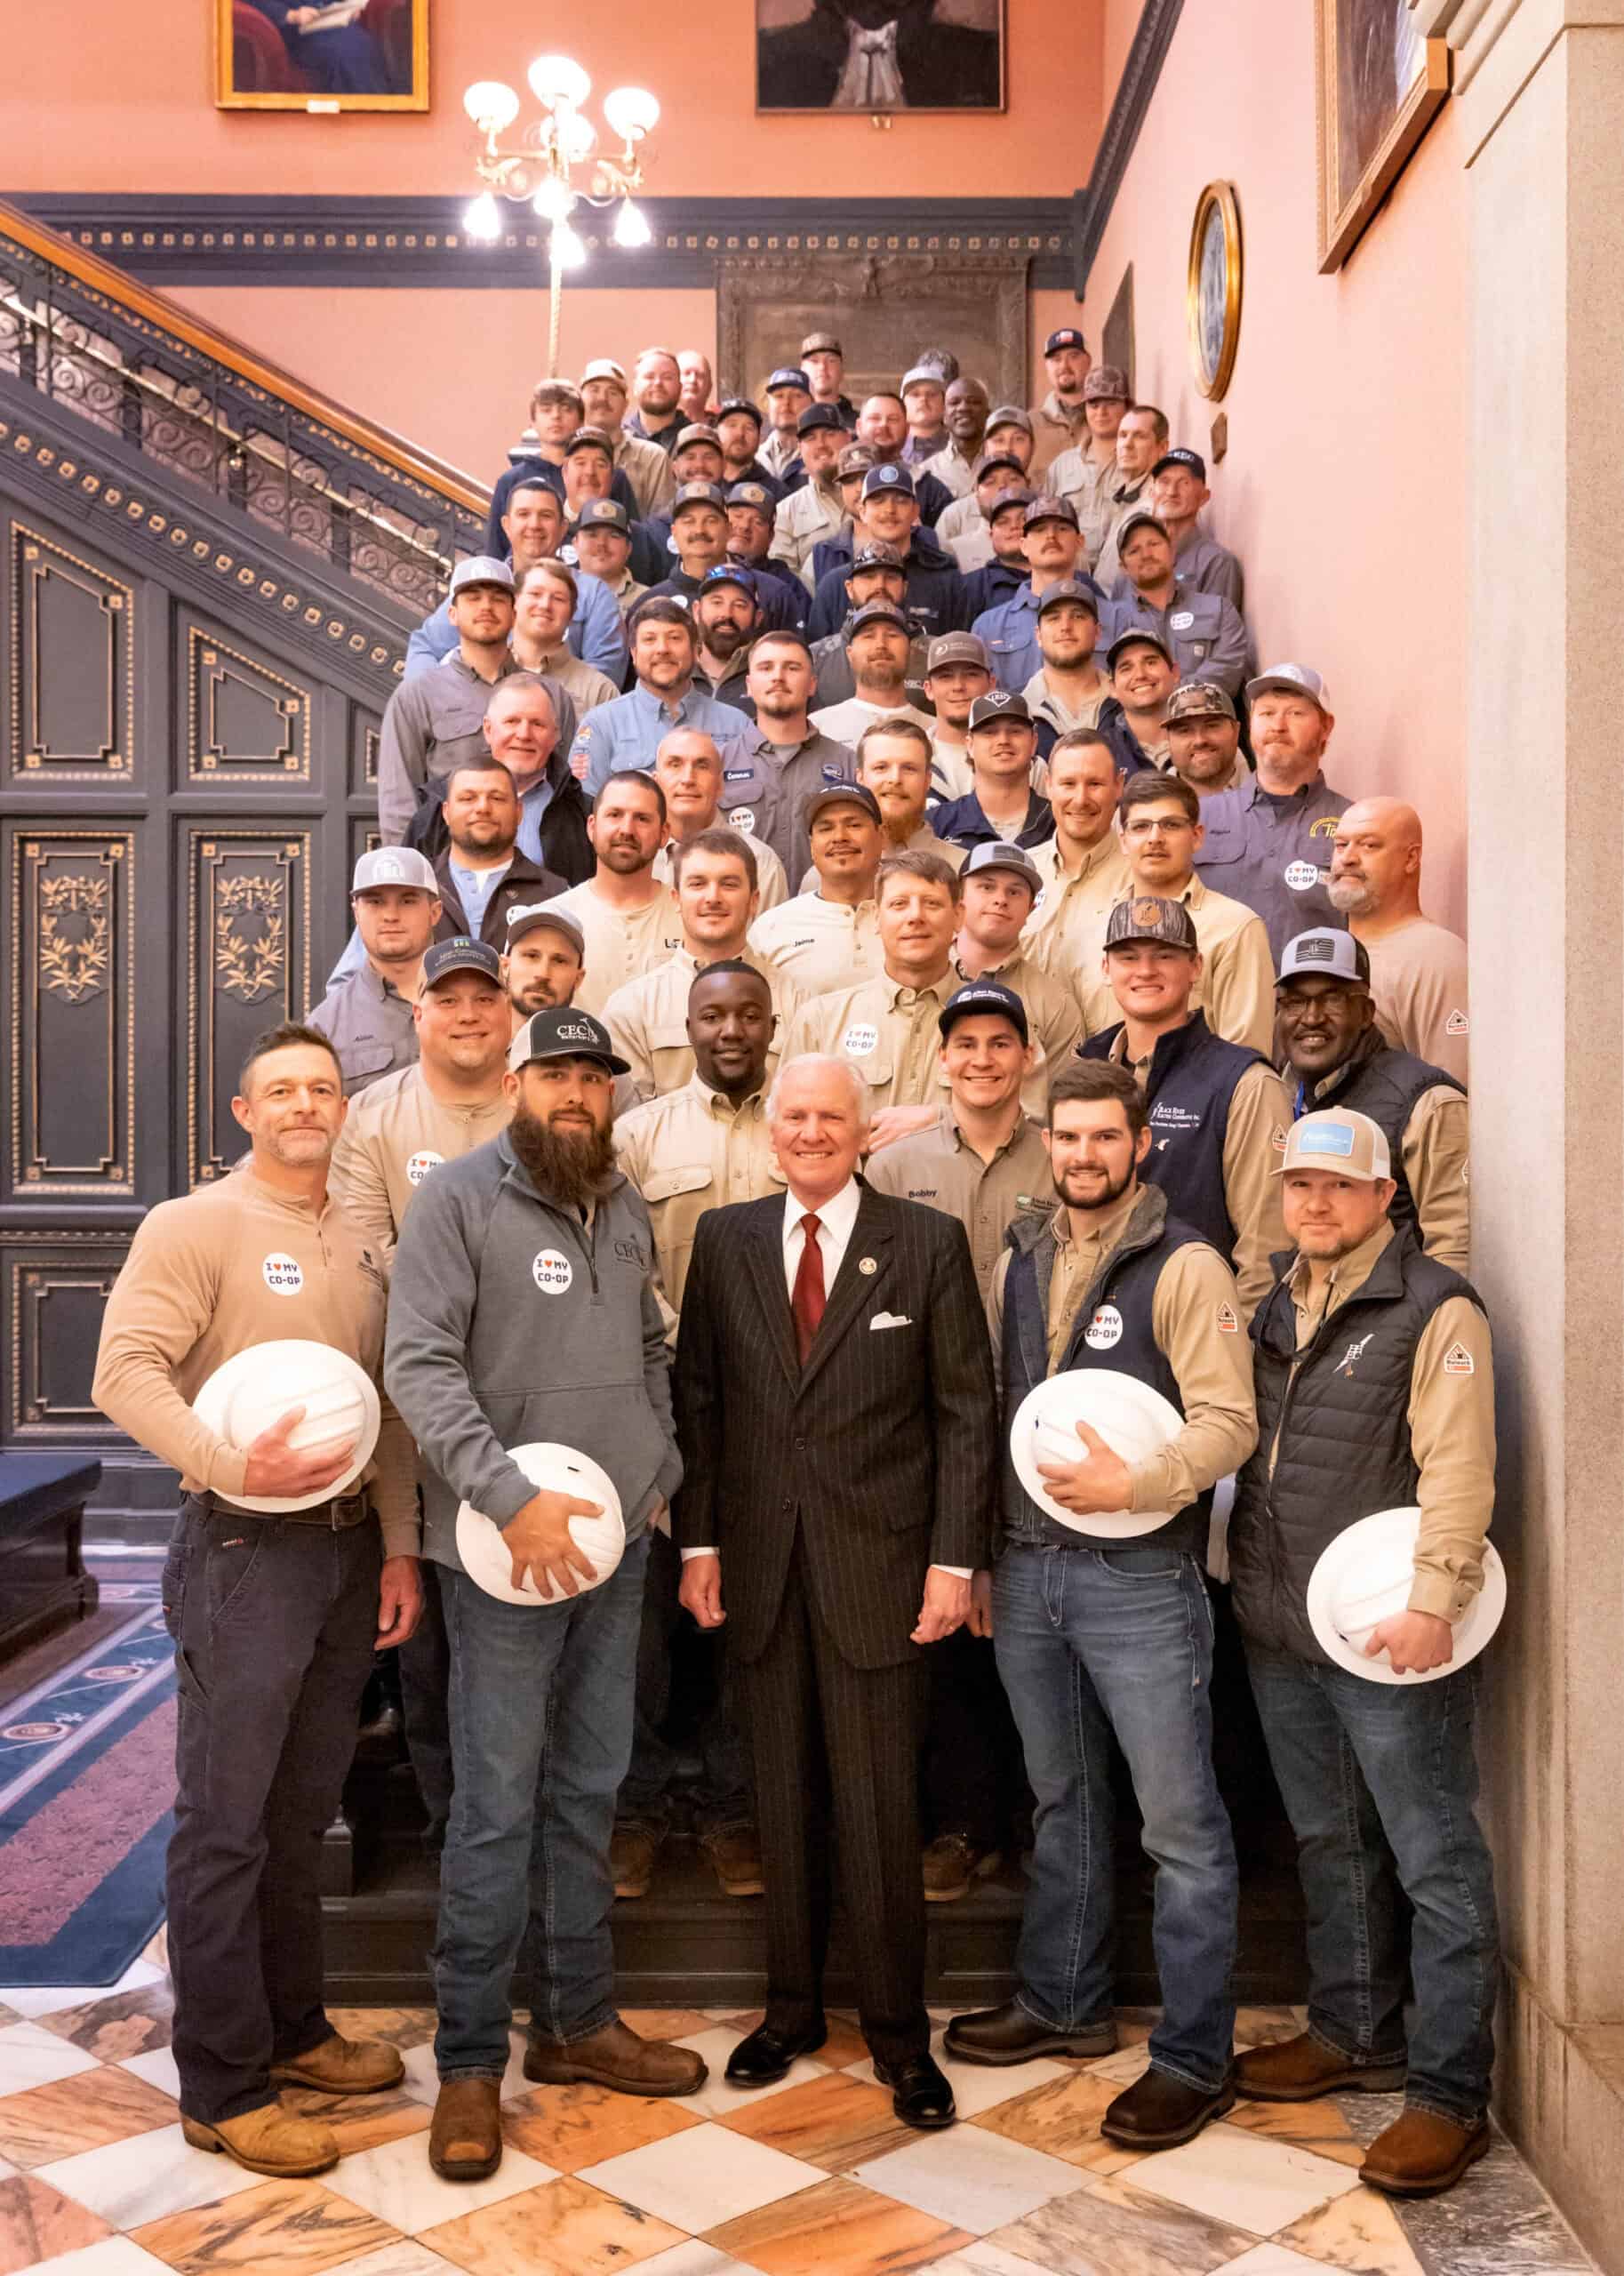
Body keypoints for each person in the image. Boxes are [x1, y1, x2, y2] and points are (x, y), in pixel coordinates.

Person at [93, 1022, 421, 2179]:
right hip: (241, 1552)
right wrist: (229, 1465)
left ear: (343, 1110)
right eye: (279, 1090)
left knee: (296, 1820)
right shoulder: (192, 1226)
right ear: (245, 1112)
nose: (302, 1105)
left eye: (321, 1089)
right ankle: (223, 2084)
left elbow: (379, 1406)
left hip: (338, 1560)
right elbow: (121, 1371)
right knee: (225, 1826)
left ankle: (295, 2029)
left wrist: (394, 1548)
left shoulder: (358, 1235)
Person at [385, 1006, 703, 2176]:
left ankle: (575, 2024)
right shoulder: (456, 1200)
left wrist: (654, 1469)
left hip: (611, 1554)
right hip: (499, 1557)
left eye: (593, 1076)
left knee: (587, 1792)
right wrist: (505, 1494)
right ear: (517, 1081)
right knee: (492, 1810)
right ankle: (469, 2064)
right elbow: (416, 1362)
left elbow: (653, 1351)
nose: (575, 1093)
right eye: (556, 1073)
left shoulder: (619, 1206)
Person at [675, 1052, 996, 2127]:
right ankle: (792, 2010)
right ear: (772, 1131)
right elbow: (703, 1404)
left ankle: (901, 2036)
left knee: (877, 1806)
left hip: (884, 1573)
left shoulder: (927, 1242)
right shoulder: (722, 1241)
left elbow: (964, 1412)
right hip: (760, 1573)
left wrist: (956, 1560)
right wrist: (699, 1544)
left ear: (866, 1131)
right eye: (795, 1116)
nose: (812, 1132)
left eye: (832, 1118)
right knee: (782, 1804)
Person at [948, 1058, 1256, 2155]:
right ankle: (1064, 2003)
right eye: (1066, 1139)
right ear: (1048, 1143)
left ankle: (1194, 2057)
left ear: (1139, 1147)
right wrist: (982, 1555)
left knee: (1179, 1824)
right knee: (1062, 1798)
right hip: (1029, 1573)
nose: (1082, 1157)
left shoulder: (1186, 1265)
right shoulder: (1020, 1253)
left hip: (1140, 1580)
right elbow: (991, 1411)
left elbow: (1228, 1421)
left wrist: (1140, 1485)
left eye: (1103, 1140)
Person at [1228, 1109, 1500, 2200]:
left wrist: (1437, 1601)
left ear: (1386, 1195)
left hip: (1395, 1636)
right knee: (1330, 1840)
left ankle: (1448, 2094)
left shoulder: (1437, 1306)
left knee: (1435, 1860)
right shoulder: (1275, 1308)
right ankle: (1351, 2029)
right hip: (1287, 1627)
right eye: (1301, 1186)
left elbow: (1461, 1469)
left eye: (1340, 1188)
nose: (1317, 1204)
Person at [327, 939, 514, 1854]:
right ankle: (455, 1841)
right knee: (433, 1654)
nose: (470, 1012)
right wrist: (496, 1282)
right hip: (421, 1417)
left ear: (510, 1010)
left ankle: (539, 1841)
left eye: (487, 996)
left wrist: (452, 1279)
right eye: (452, 998)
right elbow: (367, 1257)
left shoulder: (544, 1102)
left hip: (538, 1408)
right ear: (419, 1014)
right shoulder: (373, 1117)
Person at [610, 965, 780, 1899]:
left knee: (742, 1620)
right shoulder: (638, 1135)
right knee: (641, 1620)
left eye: (747, 1013)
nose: (731, 1028)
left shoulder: (799, 1117)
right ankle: (631, 1811)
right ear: (688, 1023)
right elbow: (622, 1267)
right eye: (713, 1013)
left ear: (768, 1022)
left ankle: (731, 1809)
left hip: (768, 1411)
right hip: (653, 1398)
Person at [1081, 896, 1290, 1319]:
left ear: (1195, 966)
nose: (1145, 971)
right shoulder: (1083, 1072)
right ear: (1106, 969)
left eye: (1164, 955)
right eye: (1128, 956)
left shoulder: (1243, 1083)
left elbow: (1267, 1250)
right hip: (1096, 1338)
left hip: (1198, 1331)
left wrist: (1236, 1347)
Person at [1276, 930, 1468, 1270]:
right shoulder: (1277, 1093)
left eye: (1332, 1000)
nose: (1311, 1017)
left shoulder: (1426, 1103)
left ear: (1366, 1013)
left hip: (1395, 1320)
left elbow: (1454, 1253)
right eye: (1294, 1002)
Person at [778, 848, 964, 1150]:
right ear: (876, 918)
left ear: (959, 916)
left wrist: (940, 1119)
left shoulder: (996, 1019)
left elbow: (1029, 1121)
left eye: (931, 903)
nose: (915, 916)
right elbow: (787, 1128)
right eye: (899, 904)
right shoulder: (822, 1019)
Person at [605, 827, 804, 1101]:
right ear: (675, 899)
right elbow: (629, 1124)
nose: (713, 897)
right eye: (698, 884)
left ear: (754, 901)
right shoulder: (631, 1008)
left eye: (729, 884)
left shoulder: (797, 1002)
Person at [1194, 663, 1351, 961]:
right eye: (1266, 713)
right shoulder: (1200, 818)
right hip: (1216, 1004)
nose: (1278, 725)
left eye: (1295, 713)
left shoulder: (1353, 823)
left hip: (1312, 1006)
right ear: (1251, 724)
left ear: (1326, 727)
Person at [1116, 773, 1276, 1056]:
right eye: (1140, 827)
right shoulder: (1100, 922)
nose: (1155, 838)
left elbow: (1244, 1056)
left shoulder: (1235, 927)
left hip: (1200, 1098)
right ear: (1122, 840)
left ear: (1197, 836)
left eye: (1171, 825)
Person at [412, 488, 628, 683]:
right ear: (506, 525)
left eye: (546, 516)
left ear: (563, 528)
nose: (534, 525)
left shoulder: (593, 594)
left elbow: (604, 674)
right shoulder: (481, 585)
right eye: (524, 514)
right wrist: (432, 696)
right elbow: (425, 647)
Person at [1329, 798, 1469, 1083]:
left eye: (1369, 845)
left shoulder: (1438, 958)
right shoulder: (1326, 951)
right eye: (1341, 845)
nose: (1347, 858)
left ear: (1411, 859)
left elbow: (1451, 1102)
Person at [379, 559, 519, 844]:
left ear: (514, 615)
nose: (486, 607)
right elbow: (398, 803)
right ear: (452, 614)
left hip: (530, 871)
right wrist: (411, 878)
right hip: (445, 866)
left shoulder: (544, 694)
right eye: (473, 598)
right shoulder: (417, 696)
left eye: (497, 598)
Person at [951, 841, 1085, 1113]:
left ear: (1031, 908)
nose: (1001, 899)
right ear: (959, 897)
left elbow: (1068, 1109)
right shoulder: (923, 977)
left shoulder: (1055, 1003)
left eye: (1015, 891)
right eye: (987, 887)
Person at [572, 603, 747, 800]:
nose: (662, 649)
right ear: (634, 654)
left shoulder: (737, 725)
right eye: (650, 639)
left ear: (696, 651)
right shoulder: (601, 724)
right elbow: (584, 808)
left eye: (674, 638)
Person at [1021, 730, 1132, 1029]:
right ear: (1048, 786)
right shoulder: (1018, 873)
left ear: (1118, 786)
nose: (1080, 799)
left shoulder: (1142, 876)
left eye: (1095, 784)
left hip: (1110, 1068)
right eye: (1068, 784)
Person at [308, 847, 440, 1095]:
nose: (391, 916)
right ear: (356, 912)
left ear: (435, 912)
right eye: (375, 902)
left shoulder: (481, 1002)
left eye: (408, 900)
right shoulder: (325, 1025)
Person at [550, 772, 684, 1014]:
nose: (627, 829)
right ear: (592, 827)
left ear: (664, 834)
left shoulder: (690, 917)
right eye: (614, 815)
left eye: (642, 818)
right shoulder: (552, 919)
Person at [737, 631, 858, 885]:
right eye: (766, 667)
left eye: (792, 668)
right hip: (741, 917)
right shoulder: (718, 764)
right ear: (749, 684)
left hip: (819, 917)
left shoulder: (848, 763)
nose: (778, 677)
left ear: (812, 683)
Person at [750, 782, 885, 996]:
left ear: (881, 836)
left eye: (854, 825)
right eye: (826, 828)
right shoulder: (771, 928)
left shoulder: (909, 918)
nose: (839, 837)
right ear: (812, 846)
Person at [807, 464, 964, 643]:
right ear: (862, 512)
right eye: (878, 500)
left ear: (915, 512)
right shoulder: (834, 585)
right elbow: (820, 659)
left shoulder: (945, 579)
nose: (889, 510)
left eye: (901, 500)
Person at [1098, 513, 1249, 697]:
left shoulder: (1219, 610)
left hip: (1205, 720)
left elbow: (1227, 670)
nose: (1146, 555)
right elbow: (1104, 681)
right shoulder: (1107, 622)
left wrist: (1165, 695)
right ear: (1123, 567)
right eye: (1134, 551)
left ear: (1172, 551)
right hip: (1136, 723)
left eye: (1154, 544)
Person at [428, 757, 566, 948]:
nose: (483, 808)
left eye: (497, 798)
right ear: (446, 812)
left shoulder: (555, 895)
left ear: (519, 812)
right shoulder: (418, 887)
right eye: (468, 798)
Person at [484, 384, 643, 549]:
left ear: (581, 420)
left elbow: (633, 536)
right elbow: (496, 546)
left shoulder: (609, 477)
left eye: (566, 409)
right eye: (546, 410)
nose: (556, 417)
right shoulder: (511, 481)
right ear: (533, 422)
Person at [650, 725, 789, 908]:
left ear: (720, 785)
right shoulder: (638, 858)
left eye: (702, 766)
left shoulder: (760, 863)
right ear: (656, 783)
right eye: (675, 765)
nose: (688, 779)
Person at [475, 674, 593, 888]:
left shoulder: (583, 813)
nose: (524, 734)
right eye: (512, 721)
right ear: (488, 729)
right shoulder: (441, 805)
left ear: (555, 735)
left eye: (537, 724)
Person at [972, 496, 1098, 695]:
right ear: (1023, 545)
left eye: (1062, 528)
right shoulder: (988, 626)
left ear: (1080, 541)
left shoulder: (1113, 617)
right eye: (1039, 530)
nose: (1051, 536)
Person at [932, 692, 1055, 854]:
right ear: (970, 746)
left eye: (1015, 731)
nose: (1003, 740)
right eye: (990, 732)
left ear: (1034, 742)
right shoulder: (936, 824)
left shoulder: (1058, 820)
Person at [811, 598, 936, 746]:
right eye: (868, 636)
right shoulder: (817, 728)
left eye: (892, 635)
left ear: (910, 651)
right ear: (850, 654)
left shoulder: (935, 732)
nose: (880, 645)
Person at [1143, 448, 1245, 614]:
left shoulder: (1216, 563)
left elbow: (1218, 633)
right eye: (1164, 481)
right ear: (1151, 494)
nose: (1171, 492)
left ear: (1204, 497)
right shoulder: (1135, 559)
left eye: (1184, 483)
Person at [1047, 365, 1131, 568]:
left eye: (1111, 403)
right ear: (1085, 409)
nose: (1101, 412)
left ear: (1126, 406)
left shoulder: (1138, 462)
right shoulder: (1062, 466)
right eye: (1094, 405)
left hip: (1122, 576)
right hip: (1073, 577)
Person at [511, 562, 620, 715]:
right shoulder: (484, 671)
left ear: (572, 613)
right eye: (535, 594)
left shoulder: (599, 691)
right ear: (514, 601)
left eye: (558, 599)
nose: (545, 605)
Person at [857, 717, 967, 870]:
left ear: (928, 780)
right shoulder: (830, 873)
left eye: (909, 768)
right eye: (881, 767)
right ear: (860, 778)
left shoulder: (965, 871)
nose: (895, 779)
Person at [579, 358, 676, 519]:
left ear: (626, 404)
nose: (603, 398)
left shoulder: (652, 457)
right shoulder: (564, 454)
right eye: (594, 390)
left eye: (613, 393)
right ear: (579, 399)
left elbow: (662, 526)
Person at [935, 407, 1037, 556]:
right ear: (984, 448)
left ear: (1033, 447)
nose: (1008, 448)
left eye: (1018, 439)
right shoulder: (955, 515)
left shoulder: (1046, 506)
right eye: (998, 440)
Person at [1023, 579, 1110, 749]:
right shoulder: (1019, 712)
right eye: (1054, 618)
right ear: (1038, 635)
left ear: (1098, 632)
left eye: (1078, 616)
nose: (1065, 627)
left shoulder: (1124, 704)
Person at [772, 405, 850, 589]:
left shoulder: (875, 498)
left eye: (830, 433)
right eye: (810, 438)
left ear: (848, 438)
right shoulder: (786, 511)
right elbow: (783, 580)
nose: (821, 444)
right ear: (800, 448)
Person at [1092, 404, 1170, 591]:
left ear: (1162, 447)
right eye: (1123, 435)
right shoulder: (1124, 497)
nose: (1127, 444)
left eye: (1139, 436)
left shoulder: (1161, 505)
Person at [847, 393, 954, 524]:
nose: (883, 425)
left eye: (893, 419)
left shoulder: (930, 489)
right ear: (858, 427)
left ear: (907, 429)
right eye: (875, 418)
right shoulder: (840, 484)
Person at [923, 630, 996, 803]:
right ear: (928, 689)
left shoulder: (1020, 758)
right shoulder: (910, 759)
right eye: (945, 677)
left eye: (971, 675)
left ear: (992, 684)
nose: (958, 686)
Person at [1097, 629, 1179, 778]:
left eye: (1151, 662)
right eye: (1126, 668)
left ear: (1175, 673)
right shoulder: (1100, 752)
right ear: (1112, 687)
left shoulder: (1201, 742)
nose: (1140, 675)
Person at [643, 481, 732, 604]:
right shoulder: (652, 602)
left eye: (711, 520)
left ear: (728, 529)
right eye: (689, 521)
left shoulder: (762, 591)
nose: (699, 530)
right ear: (674, 532)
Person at [503, 903, 588, 1030]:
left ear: (578, 979)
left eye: (559, 961)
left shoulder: (591, 1050)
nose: (543, 974)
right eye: (531, 956)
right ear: (505, 966)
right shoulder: (471, 1044)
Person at [1164, 680, 1247, 801]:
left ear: (1236, 730)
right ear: (1168, 740)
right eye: (1184, 731)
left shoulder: (1271, 794)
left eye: (1211, 726)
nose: (1199, 740)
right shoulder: (1148, 808)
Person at [956, 474, 1036, 598]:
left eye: (1024, 518)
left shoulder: (1071, 580)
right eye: (1003, 522)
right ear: (990, 535)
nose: (1014, 526)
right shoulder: (969, 588)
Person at [1029, 325, 1092, 476]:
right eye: (1056, 359)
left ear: (1088, 361)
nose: (1064, 365)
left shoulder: (1104, 418)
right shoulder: (1030, 424)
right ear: (1047, 367)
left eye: (1074, 356)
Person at [571, 497, 648, 618]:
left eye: (614, 536)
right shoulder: (558, 595)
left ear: (629, 548)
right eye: (592, 535)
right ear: (575, 544)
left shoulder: (648, 601)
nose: (602, 543)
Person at [920, 375, 991, 501]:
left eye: (974, 401)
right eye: (954, 402)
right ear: (944, 417)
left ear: (988, 414)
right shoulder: (926, 473)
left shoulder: (1005, 467)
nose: (963, 408)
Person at [624, 346, 687, 453]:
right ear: (634, 386)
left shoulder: (696, 439)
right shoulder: (617, 439)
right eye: (649, 377)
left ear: (680, 387)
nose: (658, 383)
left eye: (667, 377)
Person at [760, 366, 813, 481]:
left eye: (796, 396)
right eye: (779, 396)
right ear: (767, 404)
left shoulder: (823, 456)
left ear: (812, 404)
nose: (786, 403)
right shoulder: (754, 458)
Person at [799, 329, 857, 428]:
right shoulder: (791, 424)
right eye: (814, 361)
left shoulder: (861, 425)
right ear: (802, 370)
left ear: (842, 371)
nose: (822, 367)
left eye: (831, 360)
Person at [900, 365, 949, 466]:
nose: (923, 399)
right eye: (915, 394)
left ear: (945, 403)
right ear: (901, 405)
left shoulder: (959, 447)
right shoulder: (890, 449)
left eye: (931, 394)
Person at [678, 349, 716, 426]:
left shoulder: (723, 428)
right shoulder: (659, 426)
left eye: (700, 375)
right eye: (687, 373)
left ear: (709, 387)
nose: (693, 380)